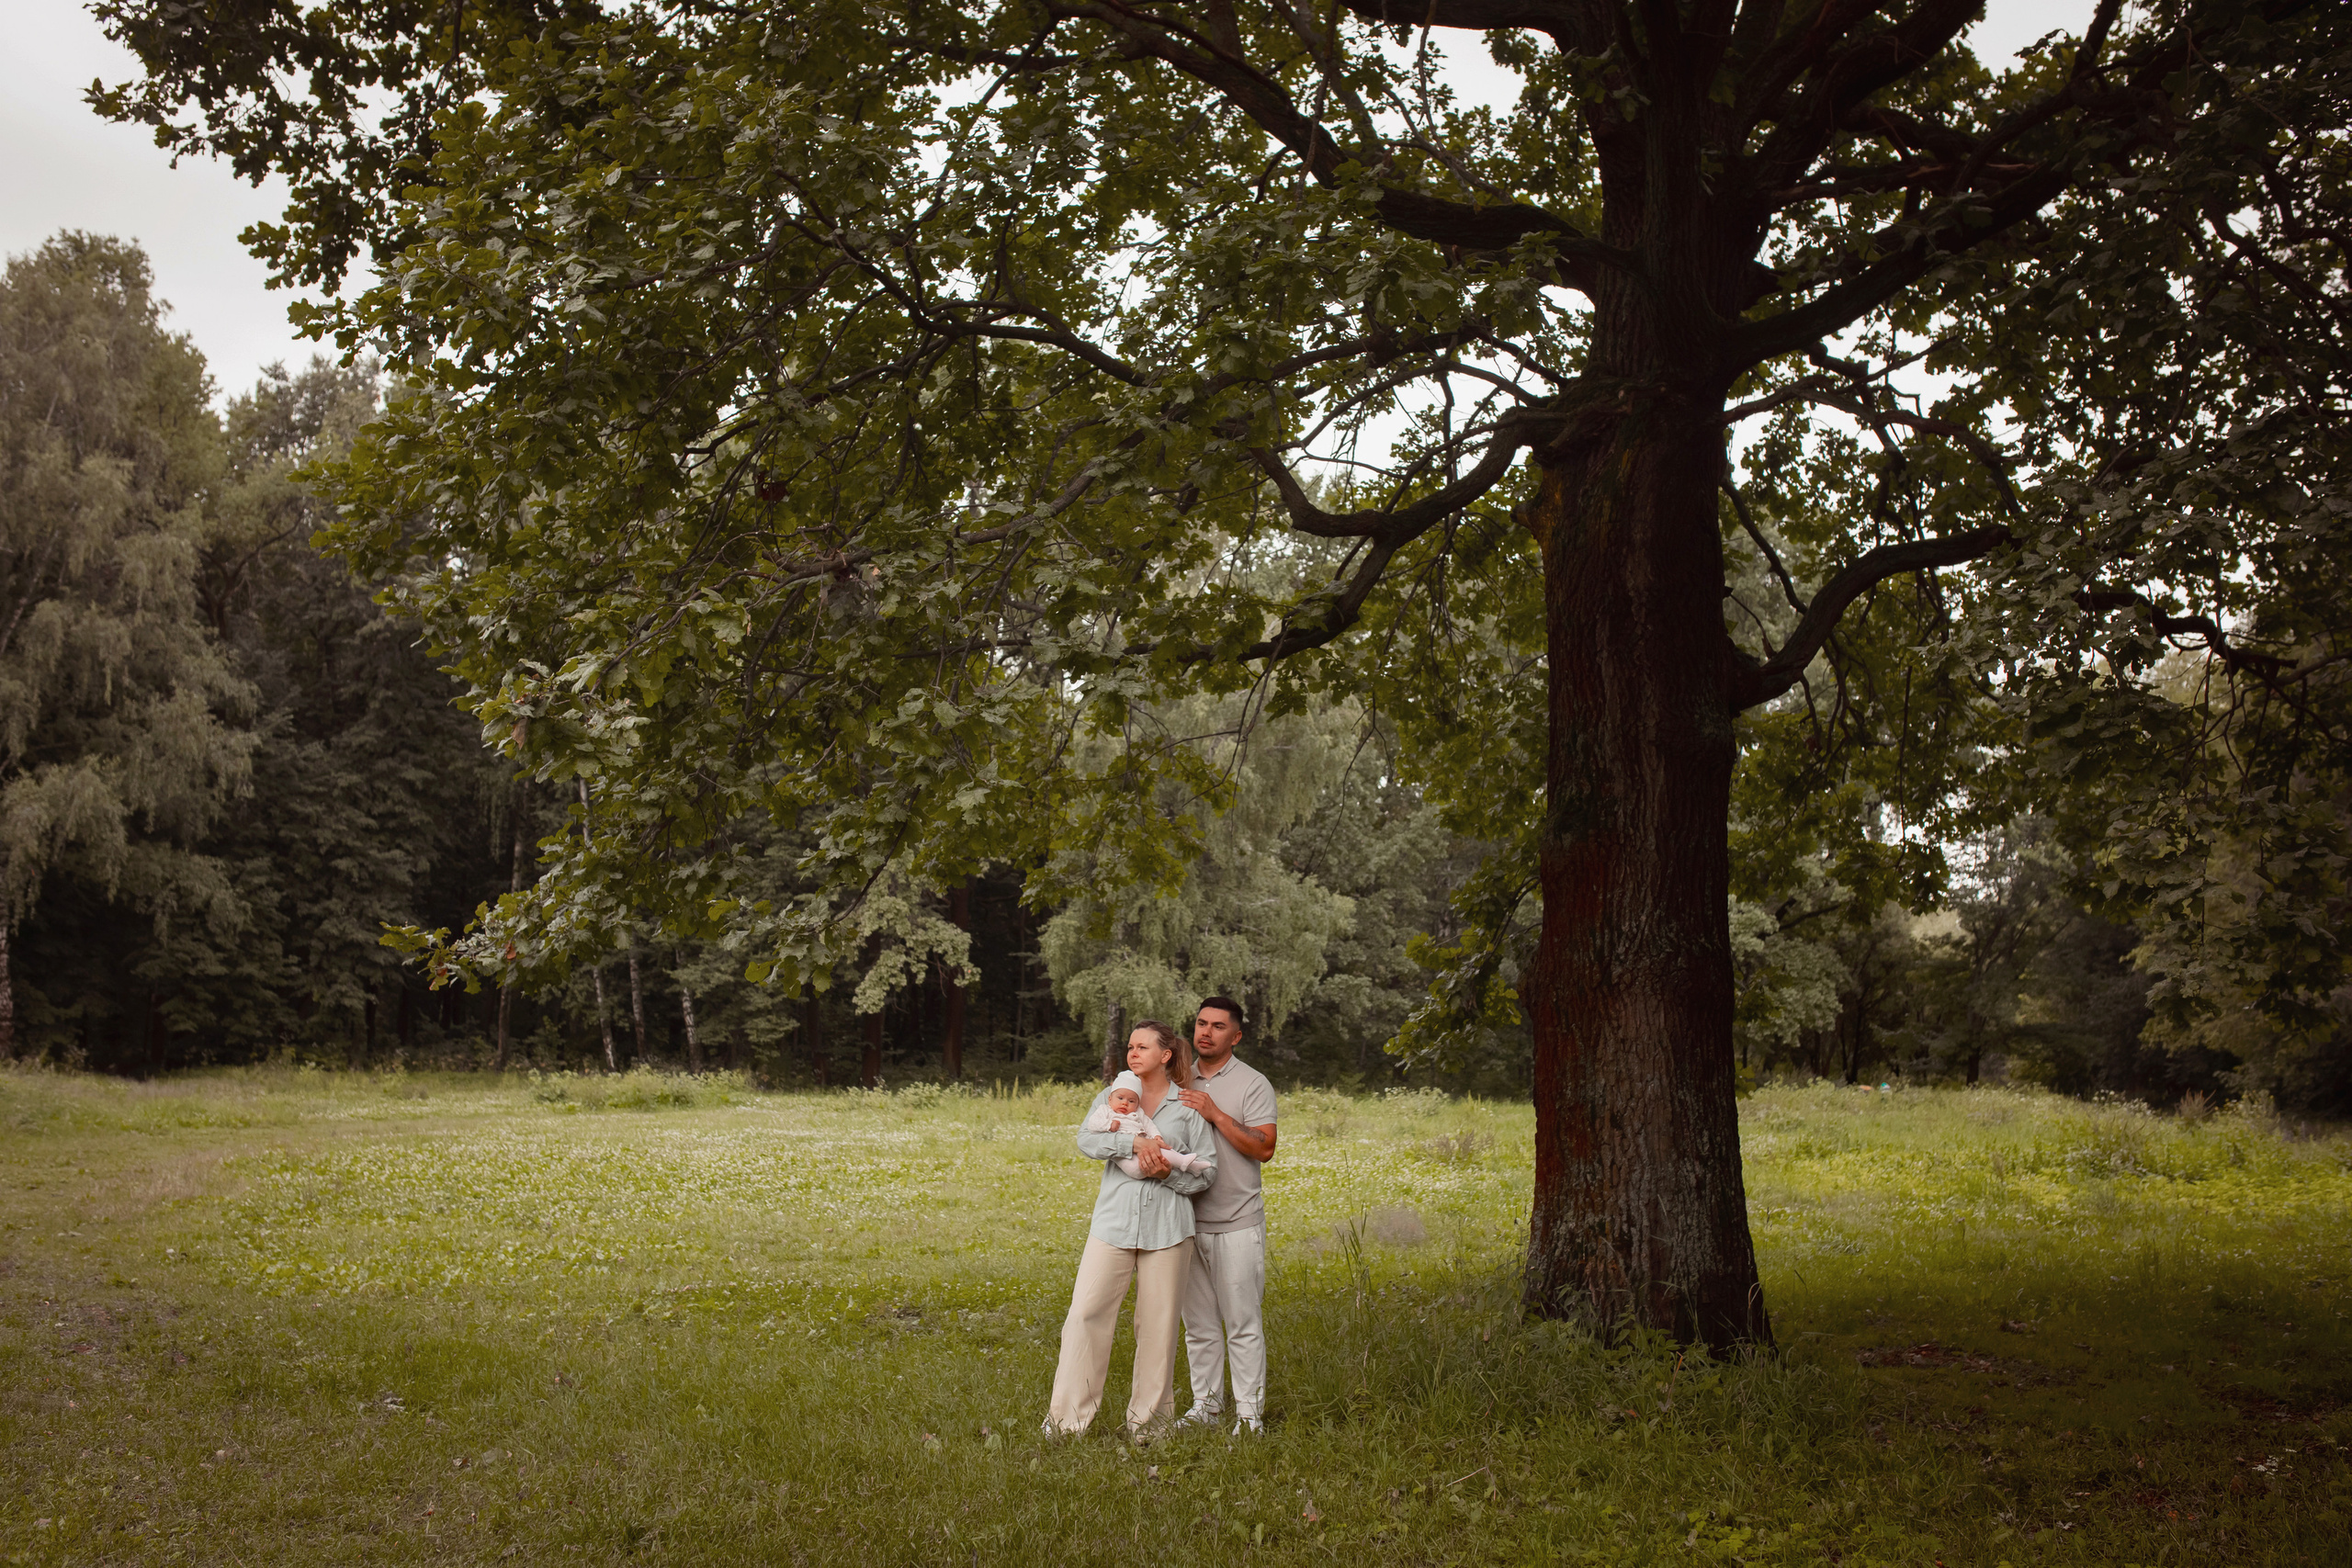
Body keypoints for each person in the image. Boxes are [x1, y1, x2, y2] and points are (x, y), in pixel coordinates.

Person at [1044, 1021, 1217, 1438]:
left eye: (1142, 1047)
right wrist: (1132, 1145)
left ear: (1166, 1055)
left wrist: (1166, 1177)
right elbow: (1086, 1140)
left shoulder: (1189, 1105)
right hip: (1113, 1224)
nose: (1133, 1053)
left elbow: (1207, 1172)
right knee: (1085, 1316)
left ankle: (1150, 1428)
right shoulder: (1112, 1096)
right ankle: (1067, 1424)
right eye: (1130, 1046)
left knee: (1157, 1327)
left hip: (1170, 1230)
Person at [1175, 995, 1279, 1435]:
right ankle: (1207, 1407)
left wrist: (1215, 1113)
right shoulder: (1177, 1078)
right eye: (1201, 1023)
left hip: (1236, 1221)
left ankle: (1250, 1416)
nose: (1206, 1032)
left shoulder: (1253, 1084)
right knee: (1198, 1325)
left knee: (1241, 1323)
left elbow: (1265, 1147)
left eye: (1218, 1026)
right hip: (1182, 1221)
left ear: (1235, 1036)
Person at [1086, 1071, 1210, 1179]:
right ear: (1110, 1099)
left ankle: (1188, 1164)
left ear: (1137, 1104)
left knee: (1162, 1150)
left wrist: (1156, 1136)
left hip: (1146, 1150)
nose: (1124, 1103)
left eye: (1131, 1101)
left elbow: (1149, 1125)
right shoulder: (1105, 1110)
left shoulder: (1138, 1113)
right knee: (1139, 1159)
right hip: (1127, 1159)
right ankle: (1180, 1163)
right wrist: (1109, 1125)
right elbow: (1092, 1124)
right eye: (1120, 1098)